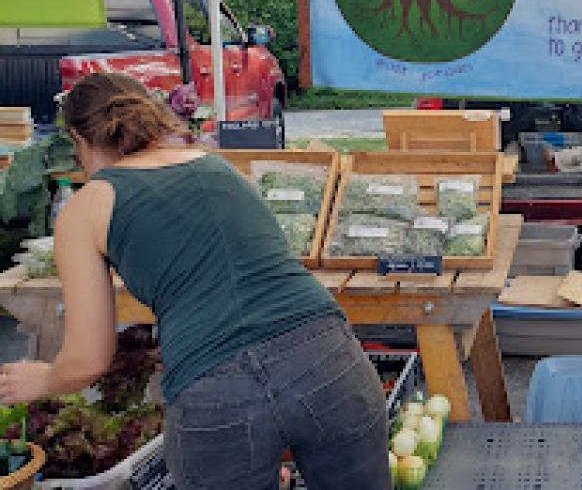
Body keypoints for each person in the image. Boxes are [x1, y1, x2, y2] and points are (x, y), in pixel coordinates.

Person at [0, 74, 389, 489]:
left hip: (217, 390)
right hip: (329, 357)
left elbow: (87, 360)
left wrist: (43, 379)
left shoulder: (87, 208)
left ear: (78, 138)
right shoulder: (216, 165)